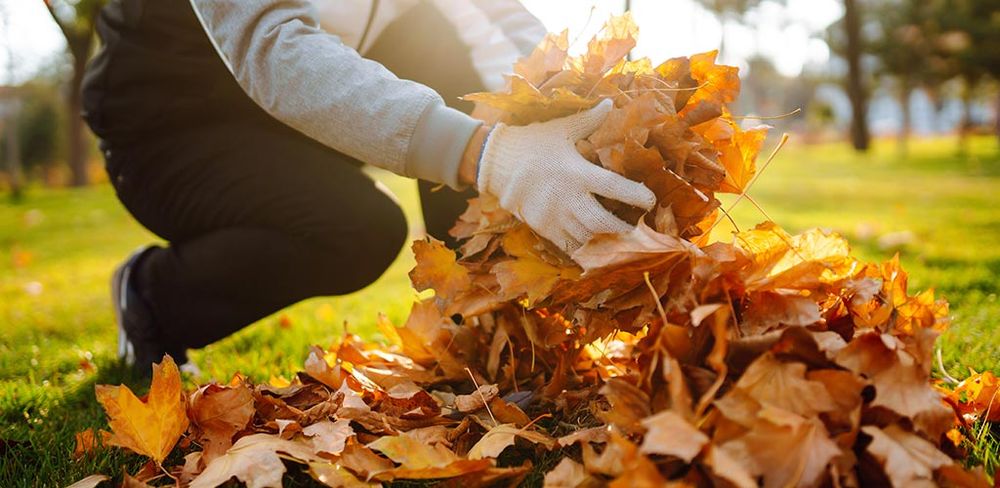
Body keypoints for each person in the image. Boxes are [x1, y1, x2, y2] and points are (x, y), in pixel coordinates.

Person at [83, 0, 656, 373]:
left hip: (289, 124)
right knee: (357, 230)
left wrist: (575, 115)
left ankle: (477, 327)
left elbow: (496, 22)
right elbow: (270, 46)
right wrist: (489, 155)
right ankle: (154, 296)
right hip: (168, 129)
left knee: (432, 33)